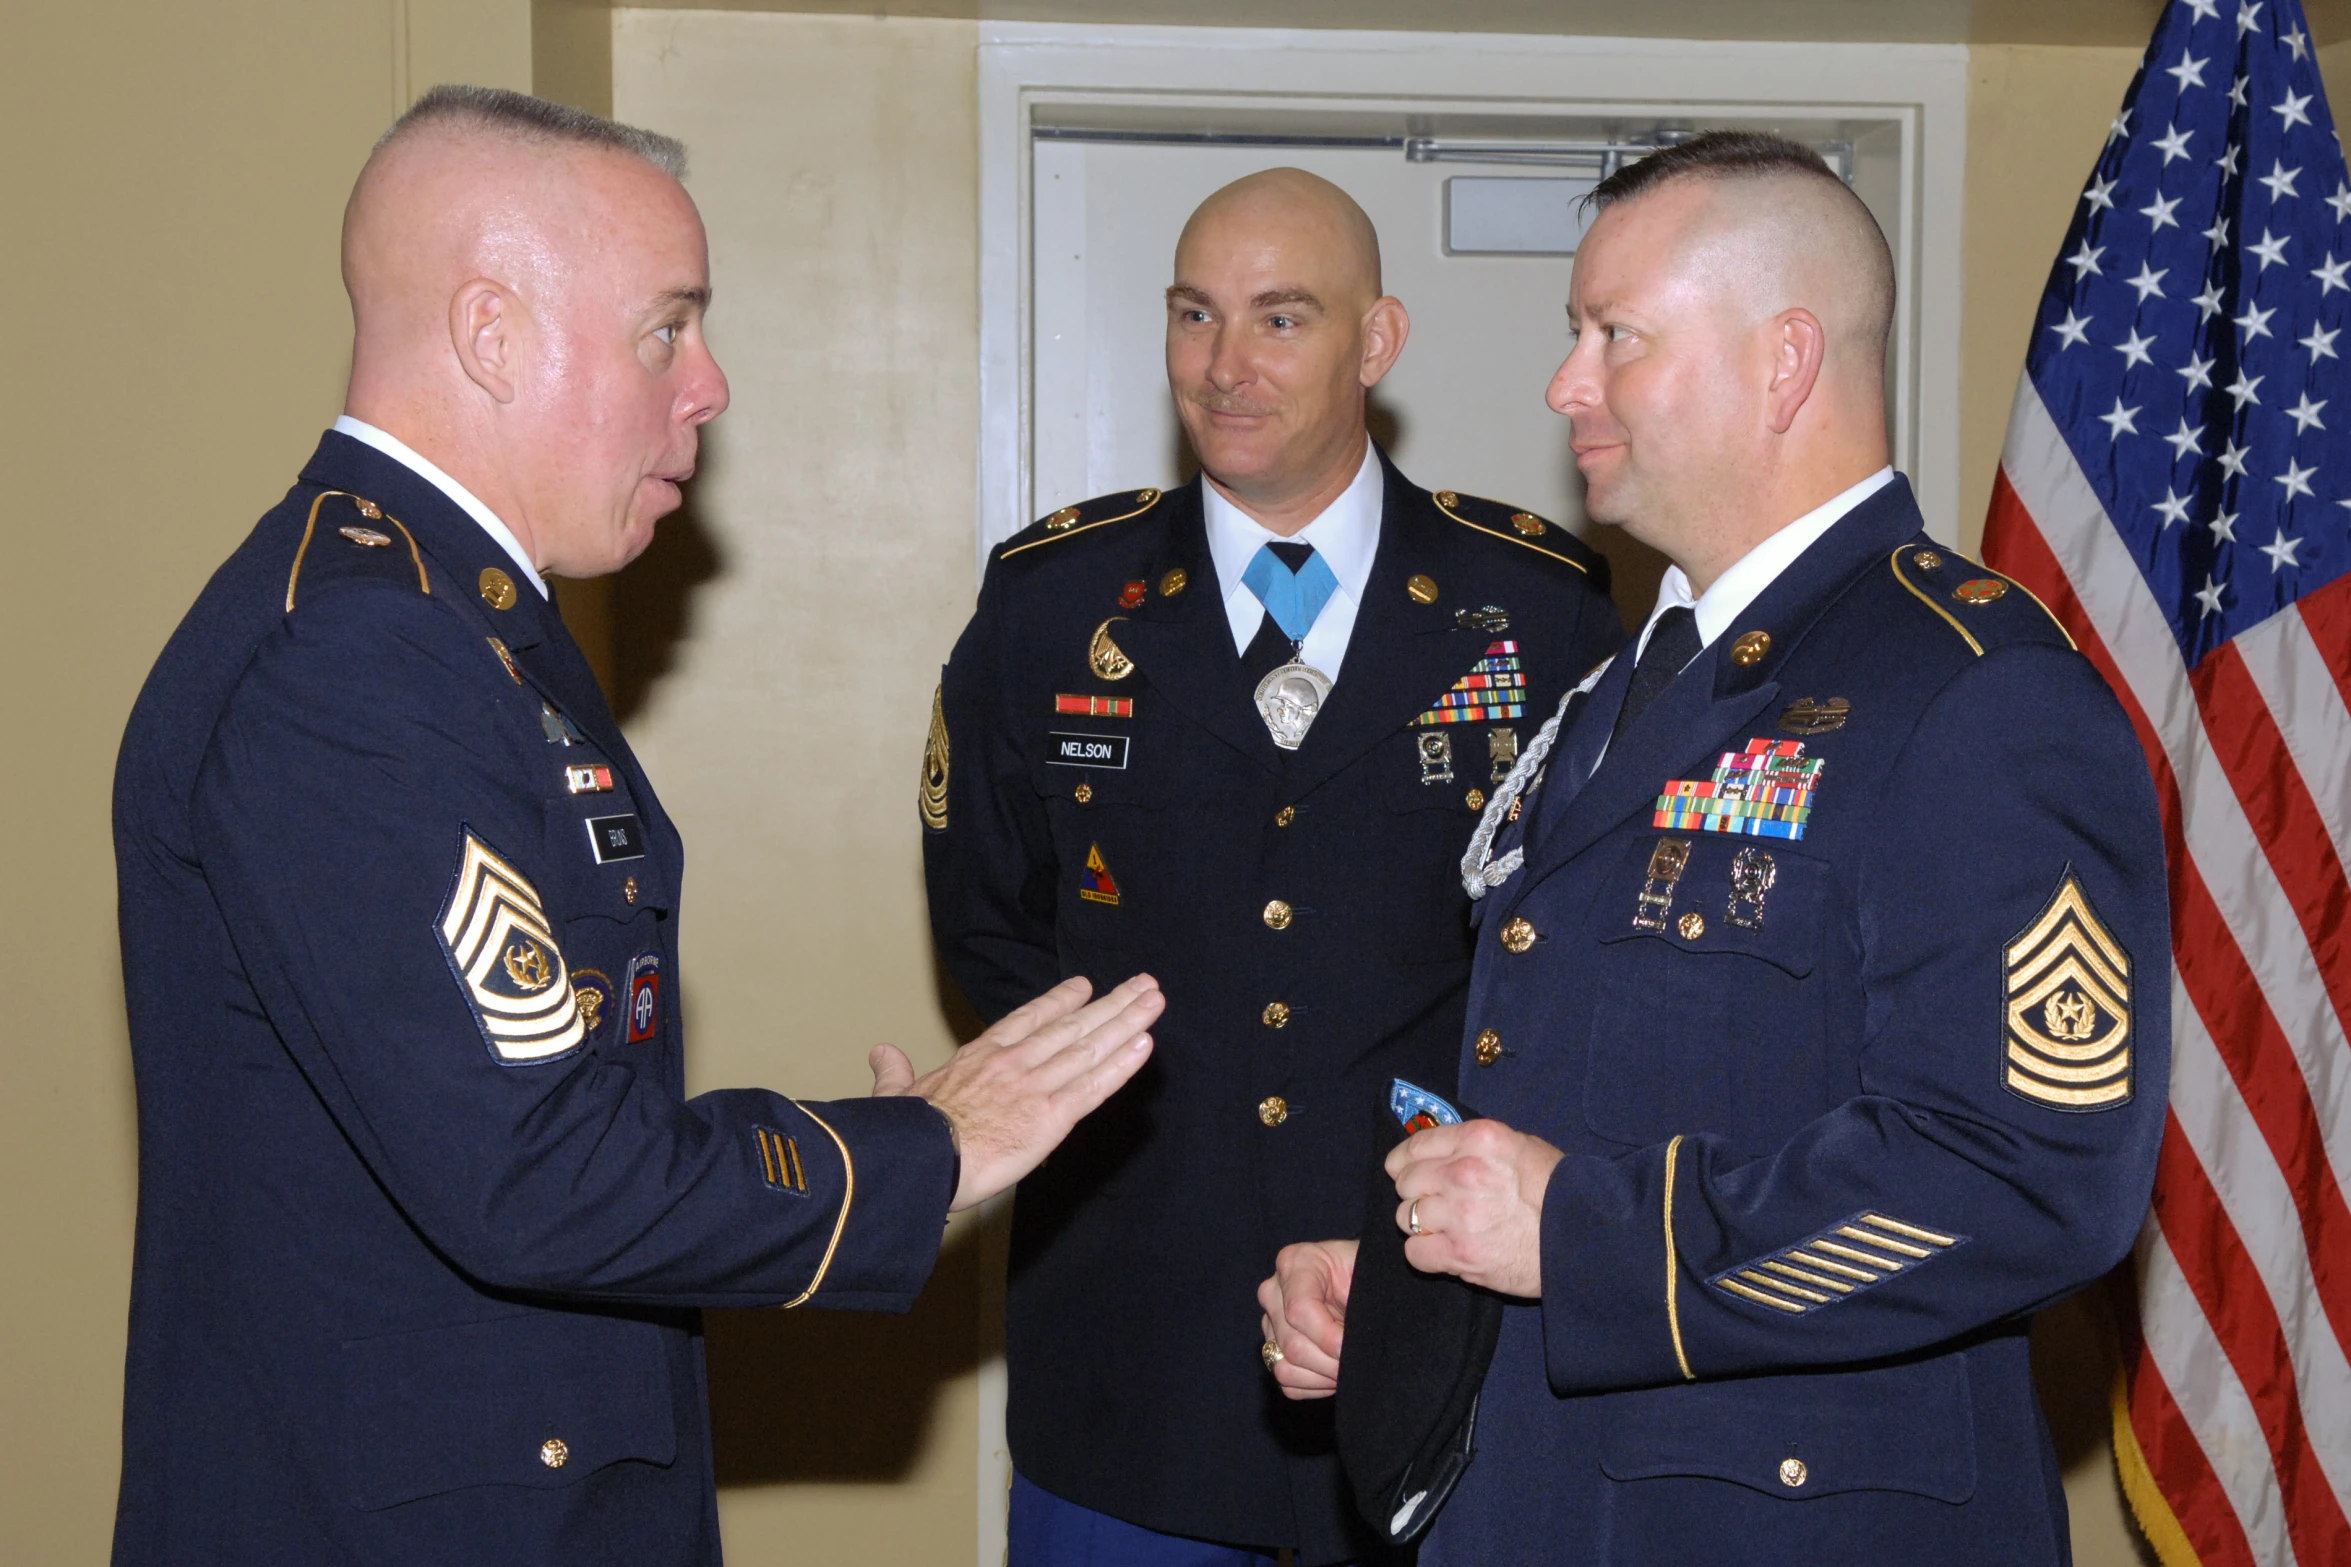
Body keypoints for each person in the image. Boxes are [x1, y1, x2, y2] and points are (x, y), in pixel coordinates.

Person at [110, 86, 1162, 1567]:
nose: (711, 384)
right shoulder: (363, 654)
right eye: (666, 327)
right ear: (491, 333)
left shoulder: (450, 621)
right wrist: (913, 1153)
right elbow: (535, 1170)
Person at [1258, 132, 2168, 1565]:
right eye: (1576, 335)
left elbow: (2029, 1174)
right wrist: (1407, 1289)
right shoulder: (1634, 679)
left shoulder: (1970, 693)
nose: (1565, 383)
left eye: (1614, 335)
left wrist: (1587, 1236)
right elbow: (1567, 1075)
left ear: (1783, 358)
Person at [924, 168, 1622, 1565]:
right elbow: (988, 927)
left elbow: (1570, 964)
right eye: (1194, 315)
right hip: (1130, 1355)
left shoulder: (1536, 611)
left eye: (1279, 319)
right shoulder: (1053, 604)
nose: (1222, 366)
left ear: (1377, 342)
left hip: (1435, 1334)